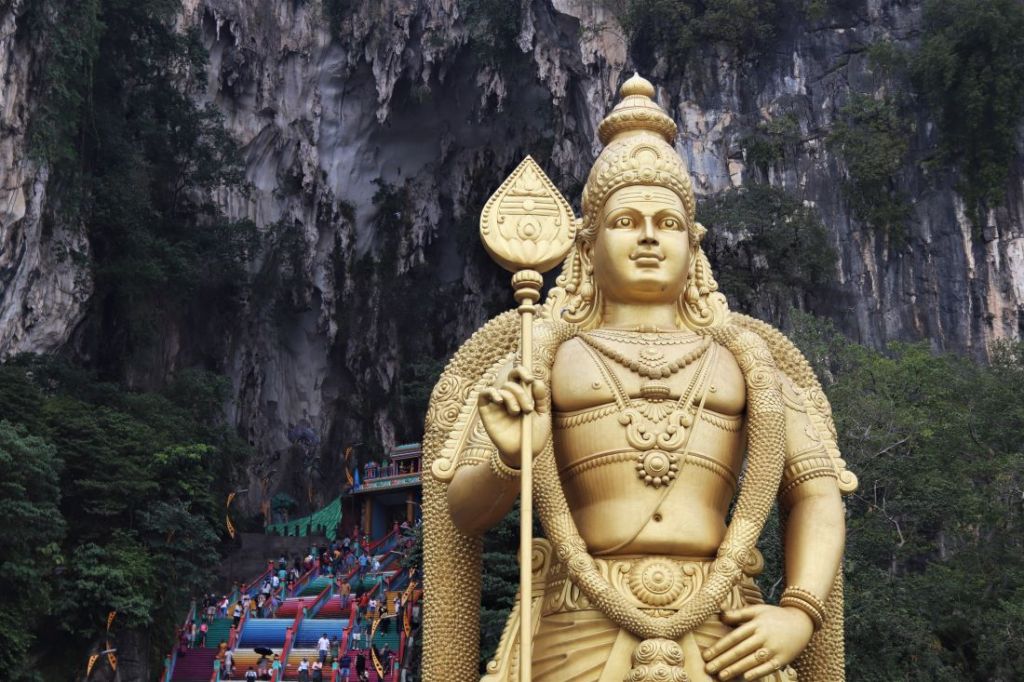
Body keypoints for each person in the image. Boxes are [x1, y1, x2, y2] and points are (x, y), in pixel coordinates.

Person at [424, 74, 855, 681]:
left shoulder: (751, 361)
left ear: (694, 243)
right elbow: (461, 512)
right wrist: (508, 459)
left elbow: (815, 489)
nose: (650, 235)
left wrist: (801, 611)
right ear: (587, 242)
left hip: (725, 630)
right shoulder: (535, 356)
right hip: (579, 625)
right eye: (627, 220)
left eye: (669, 222)